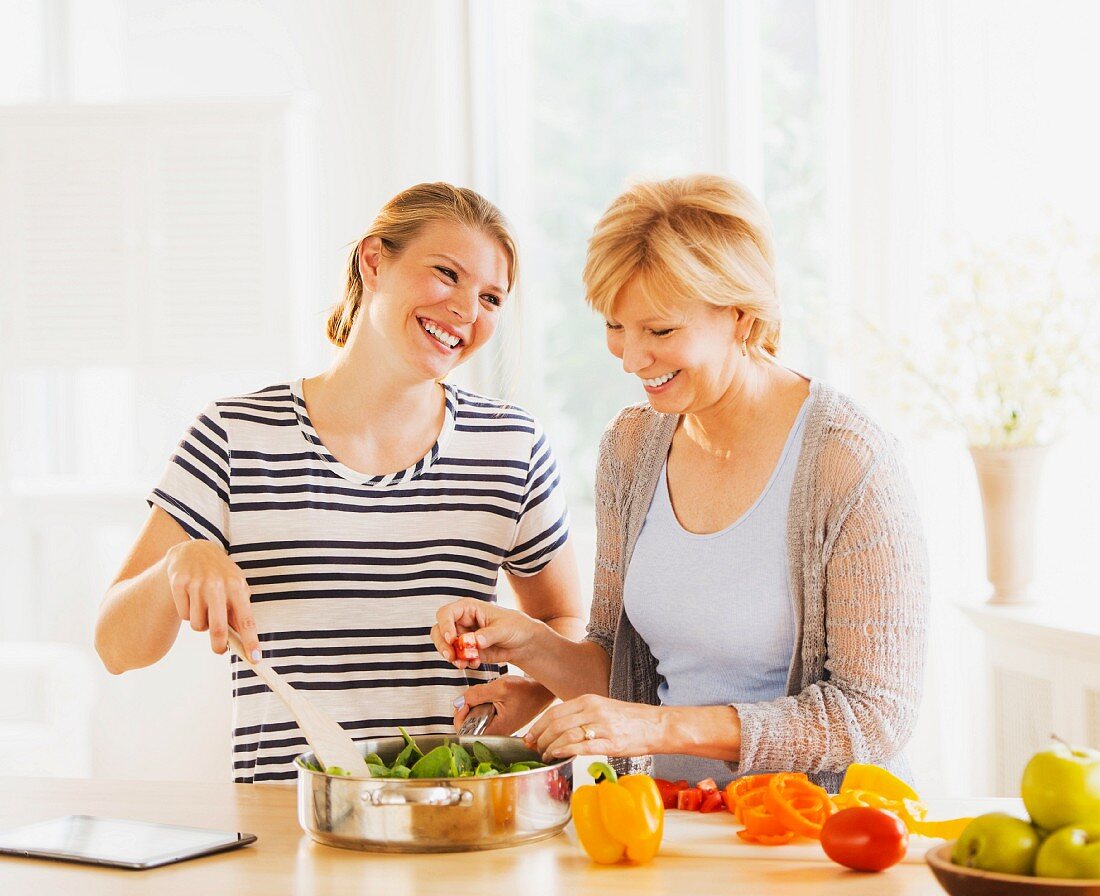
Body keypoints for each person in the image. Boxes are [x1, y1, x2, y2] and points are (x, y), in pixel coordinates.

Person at [433, 174, 929, 791]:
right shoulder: (633, 447)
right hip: (670, 824)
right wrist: (529, 644)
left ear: (742, 318)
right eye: (616, 325)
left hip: (810, 835)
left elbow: (873, 715)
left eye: (661, 331)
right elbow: (624, 673)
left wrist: (657, 729)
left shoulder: (847, 463)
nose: (631, 358)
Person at [95, 182, 584, 783]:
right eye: (446, 273)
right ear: (374, 261)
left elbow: (564, 624)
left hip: (455, 817)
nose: (466, 310)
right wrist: (178, 565)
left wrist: (532, 690)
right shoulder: (235, 435)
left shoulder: (510, 446)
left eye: (490, 297)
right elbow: (115, 647)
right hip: (287, 821)